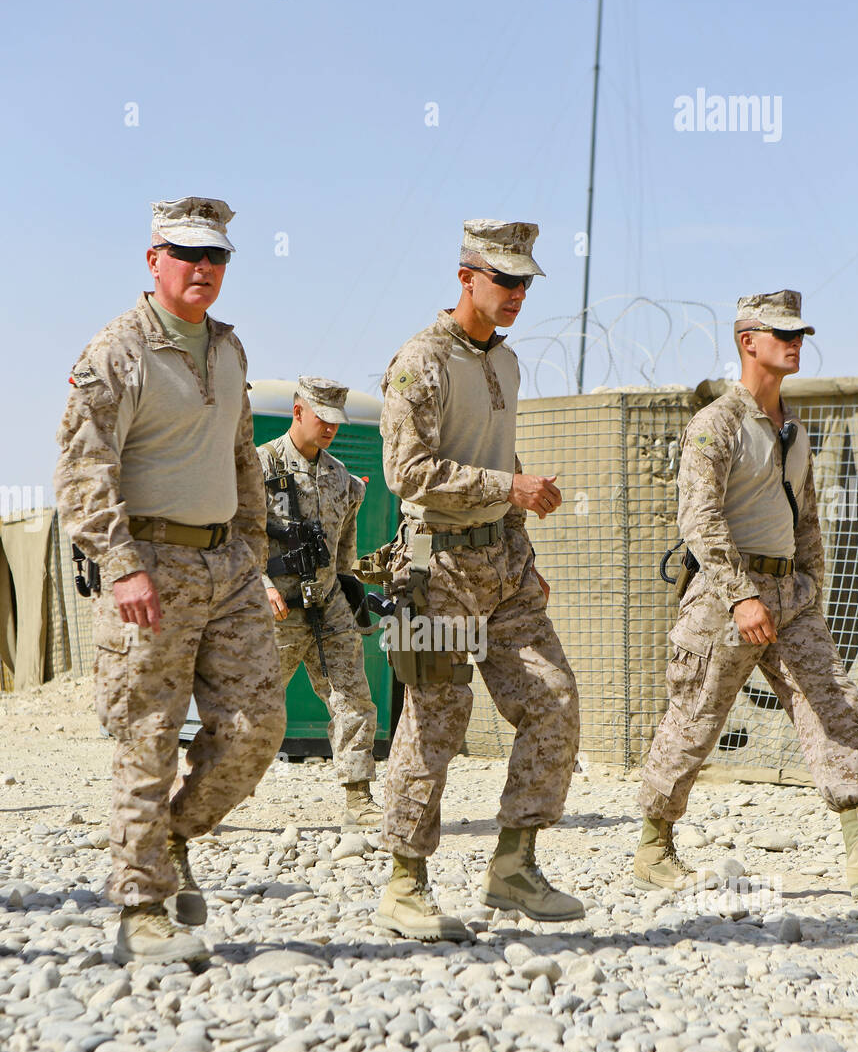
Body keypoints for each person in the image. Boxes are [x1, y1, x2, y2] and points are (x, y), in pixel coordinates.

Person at [54, 196, 286, 965]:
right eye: (187, 254)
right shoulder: (118, 351)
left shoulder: (228, 346)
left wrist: (251, 546)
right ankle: (141, 908)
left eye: (217, 257)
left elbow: (242, 453)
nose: (204, 269)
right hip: (148, 567)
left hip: (226, 566)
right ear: (154, 259)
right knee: (146, 736)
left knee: (258, 727)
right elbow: (84, 468)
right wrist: (120, 567)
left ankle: (175, 835)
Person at [374, 219, 583, 942]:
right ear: (466, 277)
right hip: (436, 565)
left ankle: (514, 865)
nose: (517, 293)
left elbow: (498, 456)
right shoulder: (420, 361)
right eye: (504, 280)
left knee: (553, 698)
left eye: (526, 282)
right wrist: (508, 484)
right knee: (436, 716)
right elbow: (407, 472)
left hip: (505, 565)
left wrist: (523, 543)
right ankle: (404, 883)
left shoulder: (509, 362)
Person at [635, 290, 858, 895]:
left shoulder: (794, 428)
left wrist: (809, 583)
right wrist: (741, 595)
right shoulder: (718, 424)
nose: (795, 344)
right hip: (723, 597)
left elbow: (808, 517)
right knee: (694, 718)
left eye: (800, 334)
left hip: (789, 595)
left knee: (835, 705)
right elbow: (700, 519)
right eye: (781, 334)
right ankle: (653, 845)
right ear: (748, 342)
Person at [259, 376, 380, 829]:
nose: (330, 428)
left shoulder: (343, 480)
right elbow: (239, 535)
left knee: (353, 699)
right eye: (322, 419)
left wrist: (350, 590)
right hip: (279, 607)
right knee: (253, 705)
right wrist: (261, 584)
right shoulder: (261, 465)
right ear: (298, 412)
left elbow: (345, 547)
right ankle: (212, 793)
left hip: (327, 606)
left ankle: (358, 798)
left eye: (335, 421)